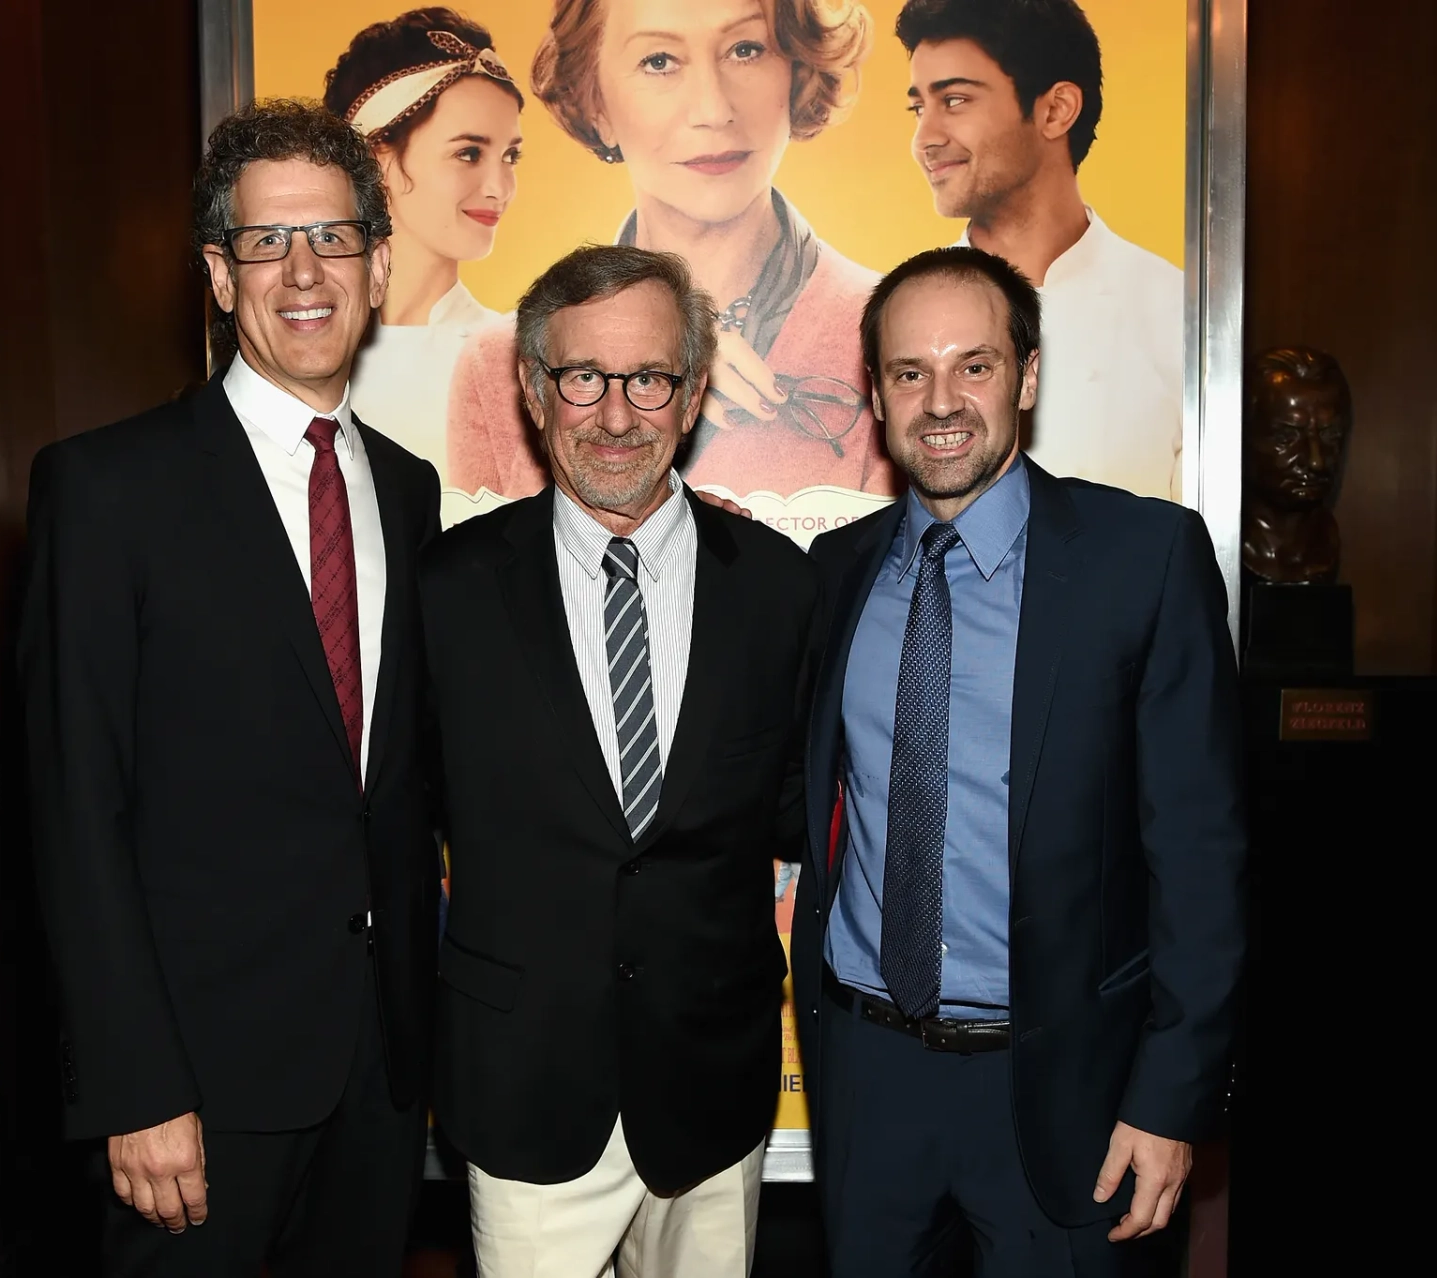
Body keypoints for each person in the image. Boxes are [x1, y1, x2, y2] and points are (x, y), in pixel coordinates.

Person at [19, 100, 440, 1277]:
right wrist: (132, 1086)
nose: (305, 273)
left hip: (377, 1076)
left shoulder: (407, 492)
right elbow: (74, 813)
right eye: (267, 243)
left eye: (334, 237)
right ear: (219, 273)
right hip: (193, 1091)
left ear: (378, 262)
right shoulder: (109, 493)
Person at [790, 246, 1244, 1276]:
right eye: (910, 372)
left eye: (975, 366)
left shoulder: (1144, 560)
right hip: (869, 1075)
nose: (940, 401)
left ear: (1028, 377)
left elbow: (1202, 859)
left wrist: (1170, 1099)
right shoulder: (835, 573)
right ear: (875, 393)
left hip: (1066, 1088)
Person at [420, 244, 816, 1276]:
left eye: (647, 379)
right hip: (524, 1087)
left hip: (713, 1088)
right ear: (532, 388)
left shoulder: (778, 588)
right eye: (582, 377)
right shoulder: (449, 589)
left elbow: (794, 810)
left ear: (689, 396)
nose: (613, 415)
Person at [447, 0, 897, 504]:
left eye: (745, 50)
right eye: (659, 61)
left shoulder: (898, 335)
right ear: (597, 105)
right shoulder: (498, 365)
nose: (712, 109)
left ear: (797, 73)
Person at [900, 0, 1185, 501]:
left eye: (956, 100)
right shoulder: (897, 314)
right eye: (919, 107)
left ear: (1055, 110)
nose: (925, 138)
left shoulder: (1175, 311)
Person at [324, 7, 524, 483]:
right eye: (468, 153)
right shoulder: (298, 352)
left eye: (511, 155)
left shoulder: (518, 358)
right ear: (379, 160)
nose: (500, 186)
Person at [1241, 345, 1352, 583]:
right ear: (1243, 436)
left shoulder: (1324, 545)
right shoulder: (1210, 544)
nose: (1316, 461)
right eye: (1287, 437)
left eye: (1330, 435)